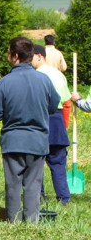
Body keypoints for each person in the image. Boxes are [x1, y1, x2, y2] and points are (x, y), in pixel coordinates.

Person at [0, 37, 60, 223]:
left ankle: (14, 220)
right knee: (33, 184)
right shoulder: (44, 80)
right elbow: (53, 106)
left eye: (8, 52)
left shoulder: (4, 82)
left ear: (15, 56)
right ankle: (32, 221)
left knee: (13, 184)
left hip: (13, 140)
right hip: (37, 140)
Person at [31, 45, 71, 205]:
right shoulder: (59, 74)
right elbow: (66, 100)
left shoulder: (36, 76)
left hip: (40, 119)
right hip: (58, 120)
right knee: (58, 163)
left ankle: (38, 197)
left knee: (36, 163)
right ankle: (64, 198)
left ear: (39, 56)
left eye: (31, 57)